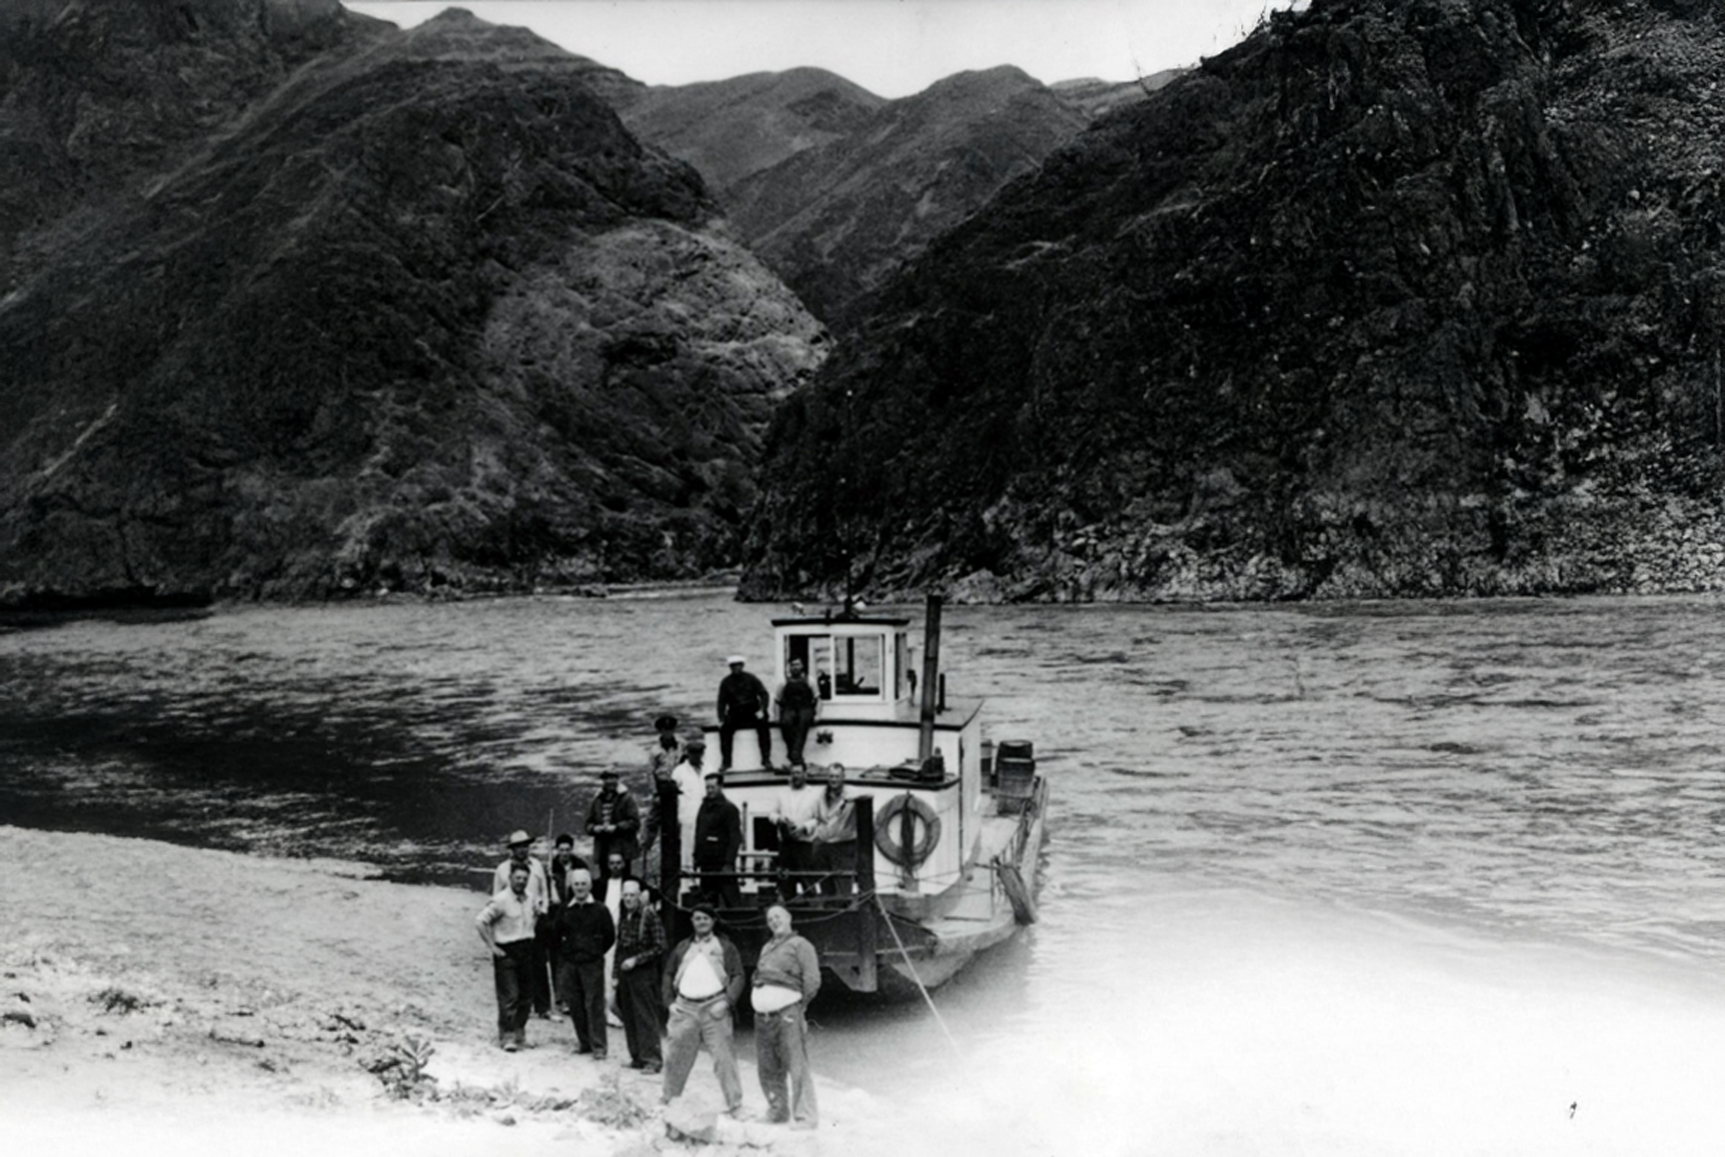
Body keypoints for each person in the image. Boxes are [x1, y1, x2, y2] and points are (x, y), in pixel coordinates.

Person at [661, 902, 746, 1118]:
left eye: (706, 918)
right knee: (675, 1058)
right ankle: (669, 1099)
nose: (701, 922)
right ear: (692, 922)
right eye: (697, 918)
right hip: (685, 1008)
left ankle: (735, 1105)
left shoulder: (725, 946)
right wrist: (670, 1003)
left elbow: (738, 975)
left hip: (714, 1008)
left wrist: (727, 1002)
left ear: (713, 921)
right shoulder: (682, 947)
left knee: (724, 1059)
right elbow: (668, 974)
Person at [752, 904, 821, 1128]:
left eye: (778, 916)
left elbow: (812, 980)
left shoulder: (801, 945)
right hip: (763, 1017)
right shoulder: (766, 947)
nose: (774, 921)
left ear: (789, 918)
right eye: (770, 919)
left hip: (787, 1014)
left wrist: (798, 1007)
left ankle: (805, 1116)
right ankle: (777, 1111)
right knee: (768, 1066)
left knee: (796, 1064)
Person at [548, 867, 615, 1059]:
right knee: (575, 1004)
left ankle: (599, 1046)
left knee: (593, 1004)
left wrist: (594, 951)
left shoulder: (600, 909)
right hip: (570, 963)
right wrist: (566, 952)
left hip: (591, 964)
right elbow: (555, 935)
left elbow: (610, 936)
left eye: (583, 884)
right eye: (576, 884)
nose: (580, 888)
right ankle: (584, 1043)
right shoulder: (565, 910)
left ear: (590, 886)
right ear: (572, 886)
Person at [476, 861, 539, 1052]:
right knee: (509, 995)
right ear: (510, 878)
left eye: (524, 879)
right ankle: (507, 1035)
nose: (521, 882)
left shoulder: (530, 898)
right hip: (507, 951)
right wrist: (492, 946)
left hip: (527, 949)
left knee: (527, 995)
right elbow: (480, 921)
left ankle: (520, 1033)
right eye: (517, 878)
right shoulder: (501, 900)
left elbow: (532, 921)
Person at [492, 830, 552, 1018]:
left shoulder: (537, 866)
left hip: (535, 919)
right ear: (512, 849)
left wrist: (542, 910)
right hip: (512, 923)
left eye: (525, 846)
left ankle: (543, 1008)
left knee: (539, 963)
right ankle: (517, 1007)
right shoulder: (502, 870)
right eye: (518, 847)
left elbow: (544, 892)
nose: (522, 850)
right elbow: (496, 898)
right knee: (515, 965)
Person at [613, 878, 666, 1073]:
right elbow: (619, 947)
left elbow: (660, 946)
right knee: (629, 1015)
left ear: (639, 896)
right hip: (625, 972)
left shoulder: (649, 915)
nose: (628, 899)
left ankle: (653, 1060)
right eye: (625, 895)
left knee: (645, 1016)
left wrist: (637, 959)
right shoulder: (624, 915)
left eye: (632, 895)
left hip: (643, 972)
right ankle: (637, 1057)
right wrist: (614, 975)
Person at [693, 771, 743, 908]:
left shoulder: (729, 809)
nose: (709, 791)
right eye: (707, 787)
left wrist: (728, 863)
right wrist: (697, 857)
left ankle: (737, 927)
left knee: (732, 902)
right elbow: (699, 832)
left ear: (720, 787)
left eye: (712, 787)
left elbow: (735, 838)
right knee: (708, 902)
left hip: (722, 865)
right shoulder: (703, 807)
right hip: (706, 865)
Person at [805, 765, 857, 896]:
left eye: (837, 776)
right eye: (831, 776)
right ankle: (828, 907)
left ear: (843, 777)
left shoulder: (852, 794)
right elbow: (815, 817)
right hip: (823, 845)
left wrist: (848, 801)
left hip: (843, 846)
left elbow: (868, 796)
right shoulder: (821, 795)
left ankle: (843, 912)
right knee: (825, 883)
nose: (833, 780)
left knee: (843, 886)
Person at [772, 764, 822, 899]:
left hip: (805, 845)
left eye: (799, 773)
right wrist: (780, 820)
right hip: (786, 845)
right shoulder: (782, 793)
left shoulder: (815, 794)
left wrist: (804, 827)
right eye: (793, 773)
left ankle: (811, 911)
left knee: (807, 881)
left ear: (805, 774)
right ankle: (788, 910)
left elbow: (819, 818)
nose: (795, 776)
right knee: (786, 881)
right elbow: (772, 814)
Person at [716, 655, 772, 771]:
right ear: (730, 667)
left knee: (764, 727)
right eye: (733, 666)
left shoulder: (751, 678)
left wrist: (762, 710)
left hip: (752, 712)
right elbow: (721, 702)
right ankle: (726, 762)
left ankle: (766, 759)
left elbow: (764, 694)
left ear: (742, 666)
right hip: (736, 713)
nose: (736, 668)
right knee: (725, 730)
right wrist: (721, 718)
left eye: (738, 665)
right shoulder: (726, 682)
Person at [586, 767, 642, 872]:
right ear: (603, 781)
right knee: (604, 879)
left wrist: (617, 827)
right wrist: (594, 828)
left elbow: (635, 823)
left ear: (617, 779)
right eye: (607, 779)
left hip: (622, 848)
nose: (610, 782)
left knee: (624, 879)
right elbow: (587, 824)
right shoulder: (596, 799)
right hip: (603, 847)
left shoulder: (627, 798)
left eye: (613, 778)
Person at [775, 659, 818, 769]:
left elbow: (818, 699)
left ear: (802, 666)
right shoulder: (783, 681)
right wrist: (776, 716)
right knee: (785, 722)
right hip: (789, 707)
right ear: (789, 667)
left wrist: (818, 714)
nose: (795, 667)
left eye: (797, 664)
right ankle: (796, 757)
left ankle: (794, 755)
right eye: (792, 665)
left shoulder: (810, 680)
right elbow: (777, 700)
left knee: (803, 723)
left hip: (805, 707)